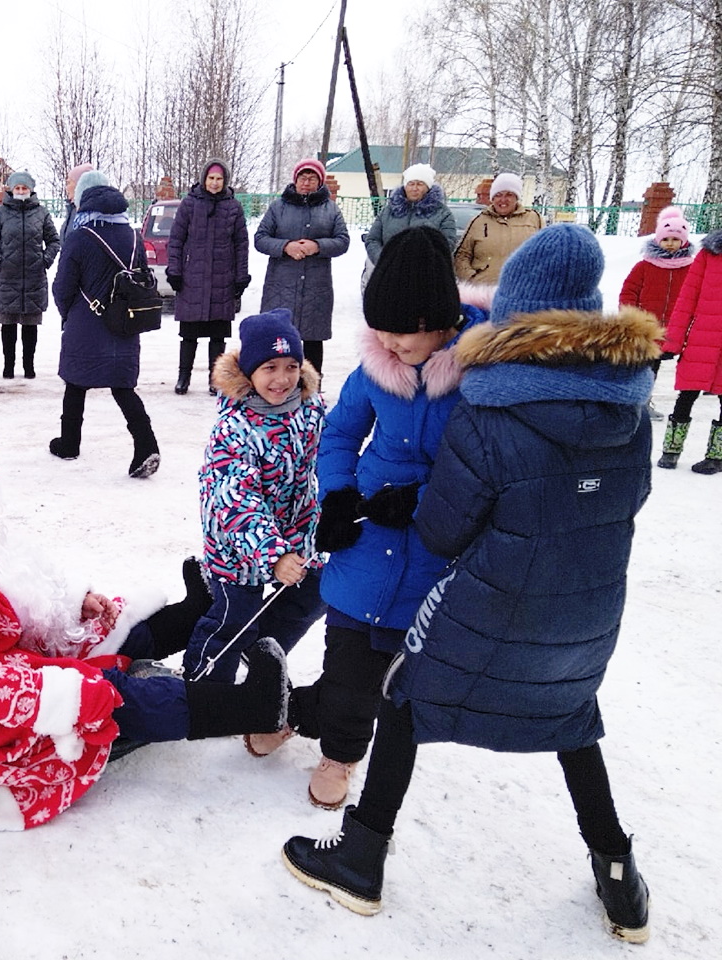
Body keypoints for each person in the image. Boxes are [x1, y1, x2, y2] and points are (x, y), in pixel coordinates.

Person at [281, 225, 660, 944]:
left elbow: (448, 529)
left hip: (482, 592)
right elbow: (627, 500)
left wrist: (410, 504)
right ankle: (620, 881)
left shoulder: (490, 405)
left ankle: (361, 858)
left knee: (404, 701)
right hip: (583, 606)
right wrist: (342, 495)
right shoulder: (630, 408)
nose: (391, 346)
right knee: (571, 720)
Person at [0, 435, 292, 830]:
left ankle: (189, 615)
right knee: (104, 691)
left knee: (93, 633)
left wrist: (72, 604)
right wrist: (64, 696)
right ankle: (248, 706)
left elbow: (10, 591)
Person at [248, 227, 490, 810]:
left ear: (441, 323)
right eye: (380, 328)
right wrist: (336, 494)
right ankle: (314, 726)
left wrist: (423, 498)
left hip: (429, 546)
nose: (389, 340)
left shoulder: (479, 379)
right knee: (349, 651)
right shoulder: (379, 365)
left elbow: (486, 465)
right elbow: (340, 433)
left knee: (383, 668)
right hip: (363, 532)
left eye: (402, 330)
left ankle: (333, 751)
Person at [185, 308, 327, 685]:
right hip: (238, 541)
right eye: (269, 367)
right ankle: (203, 687)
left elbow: (330, 458)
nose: (282, 379)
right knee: (233, 617)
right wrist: (274, 554)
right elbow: (236, 501)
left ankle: (260, 652)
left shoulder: (310, 409)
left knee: (314, 594)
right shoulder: (234, 426)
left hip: (295, 529)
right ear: (249, 371)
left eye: (291, 366)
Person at [50, 170, 160, 478]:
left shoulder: (79, 236)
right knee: (123, 386)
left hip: (86, 322)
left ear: (84, 198)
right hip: (125, 323)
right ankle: (146, 443)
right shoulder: (133, 234)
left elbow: (62, 287)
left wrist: (68, 314)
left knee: (75, 383)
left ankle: (69, 442)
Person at [254, 158, 350, 373]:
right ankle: (276, 385)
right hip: (281, 286)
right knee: (278, 339)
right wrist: (285, 246)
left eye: (312, 178)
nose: (306, 183)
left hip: (316, 287)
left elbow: (343, 241)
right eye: (302, 178)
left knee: (313, 340)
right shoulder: (278, 207)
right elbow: (260, 239)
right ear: (295, 180)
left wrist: (317, 246)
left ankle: (312, 389)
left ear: (320, 182)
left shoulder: (331, 210)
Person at [166, 158, 250, 395]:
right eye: (211, 178)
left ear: (225, 181)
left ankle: (217, 380)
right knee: (189, 335)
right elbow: (176, 240)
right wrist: (175, 270)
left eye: (219, 179)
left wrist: (241, 276)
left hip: (222, 279)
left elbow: (241, 244)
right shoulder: (189, 204)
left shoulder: (233, 207)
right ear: (204, 179)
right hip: (193, 278)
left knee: (217, 335)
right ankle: (184, 377)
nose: (215, 183)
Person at [619, 206, 695, 421]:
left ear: (684, 241)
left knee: (660, 365)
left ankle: (649, 401)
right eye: (666, 239)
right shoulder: (645, 266)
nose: (670, 243)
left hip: (676, 327)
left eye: (675, 239)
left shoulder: (690, 267)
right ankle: (638, 402)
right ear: (658, 240)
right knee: (644, 366)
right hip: (646, 326)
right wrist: (631, 316)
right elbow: (629, 291)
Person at [0, 170, 60, 379]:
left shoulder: (41, 213)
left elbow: (54, 240)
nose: (21, 191)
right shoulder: (1, 213)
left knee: (30, 325)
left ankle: (29, 366)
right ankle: (8, 366)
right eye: (17, 188)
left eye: (24, 188)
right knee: (8, 325)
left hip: (34, 276)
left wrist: (45, 260)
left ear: (31, 189)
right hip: (8, 276)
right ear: (11, 189)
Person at [659, 223, 722, 474]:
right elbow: (687, 299)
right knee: (686, 395)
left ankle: (716, 456)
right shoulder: (709, 254)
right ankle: (671, 451)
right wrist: (672, 342)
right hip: (700, 341)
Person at [362, 163, 457, 289]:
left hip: (425, 280)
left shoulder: (442, 213)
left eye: (420, 184)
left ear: (428, 187)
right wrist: (384, 261)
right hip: (389, 278)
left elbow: (447, 243)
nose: (414, 188)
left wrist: (420, 263)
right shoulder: (389, 211)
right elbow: (372, 239)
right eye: (411, 184)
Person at [453, 171, 544, 284]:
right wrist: (472, 280)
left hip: (522, 290)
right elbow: (462, 256)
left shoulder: (534, 219)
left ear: (517, 197)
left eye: (509, 195)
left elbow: (546, 254)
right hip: (484, 292)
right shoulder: (478, 221)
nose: (503, 200)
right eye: (498, 195)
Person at [58, 161, 94, 246]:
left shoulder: (90, 212)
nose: (67, 188)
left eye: (69, 182)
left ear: (80, 184)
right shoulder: (73, 209)